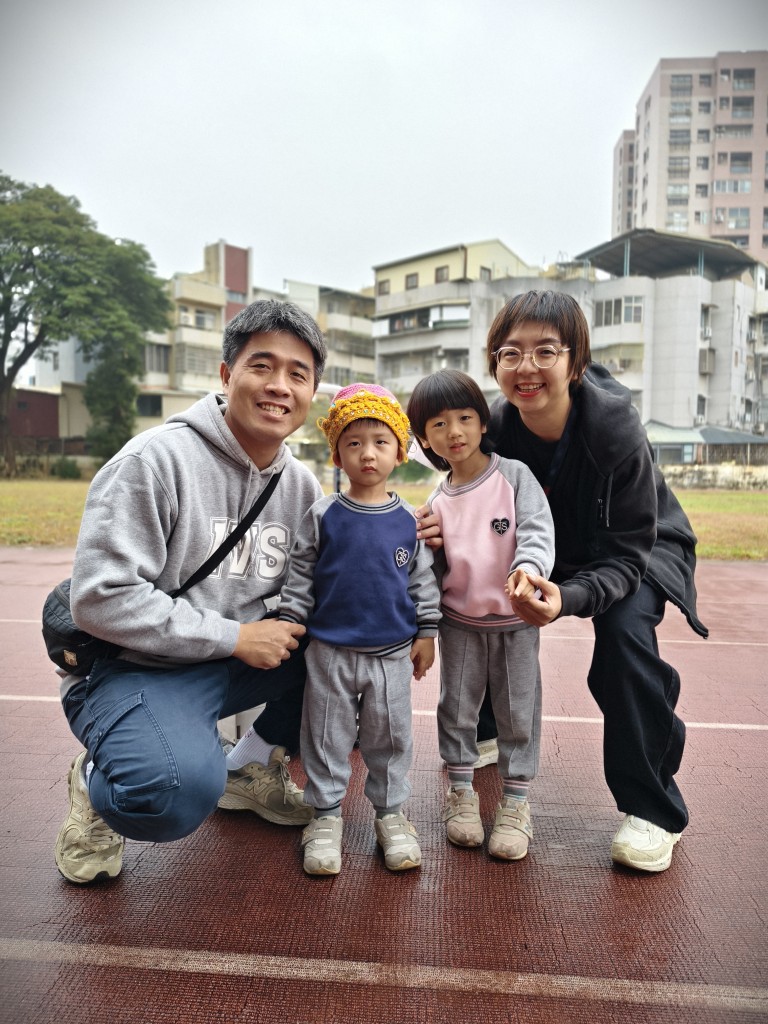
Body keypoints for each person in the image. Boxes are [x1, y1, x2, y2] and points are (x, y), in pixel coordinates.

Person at [416, 290, 708, 874]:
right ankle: (488, 727)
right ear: (495, 364)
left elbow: (625, 555)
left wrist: (568, 597)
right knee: (478, 597)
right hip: (539, 541)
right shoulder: (495, 426)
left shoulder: (615, 430)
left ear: (575, 361)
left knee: (624, 637)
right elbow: (459, 474)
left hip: (634, 548)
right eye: (510, 353)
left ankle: (653, 809)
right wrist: (442, 525)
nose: (526, 368)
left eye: (545, 351)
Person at [54, 299, 328, 885]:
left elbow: (331, 578)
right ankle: (97, 776)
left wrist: (412, 533)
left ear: (311, 392)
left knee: (357, 644)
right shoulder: (154, 461)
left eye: (297, 374)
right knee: (168, 793)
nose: (279, 386)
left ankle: (249, 767)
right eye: (262, 366)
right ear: (227, 375)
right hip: (138, 667)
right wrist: (234, 636)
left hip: (229, 663)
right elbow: (100, 597)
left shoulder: (301, 487)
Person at [278, 383, 441, 876]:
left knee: (389, 738)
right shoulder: (324, 514)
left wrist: (427, 632)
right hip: (329, 652)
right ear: (337, 454)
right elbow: (301, 574)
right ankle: (325, 816)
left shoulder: (410, 521)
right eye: (354, 443)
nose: (367, 453)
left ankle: (390, 815)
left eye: (380, 442)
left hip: (391, 655)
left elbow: (422, 580)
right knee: (325, 736)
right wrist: (290, 620)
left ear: (399, 452)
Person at [406, 370, 554, 861]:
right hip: (460, 626)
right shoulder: (435, 504)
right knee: (456, 709)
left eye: (464, 418)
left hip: (515, 624)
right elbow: (431, 571)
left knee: (518, 711)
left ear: (483, 421)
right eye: (438, 425)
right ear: (424, 439)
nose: (454, 432)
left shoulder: (514, 477)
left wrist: (529, 570)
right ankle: (461, 793)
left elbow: (537, 531)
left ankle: (516, 802)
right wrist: (426, 628)